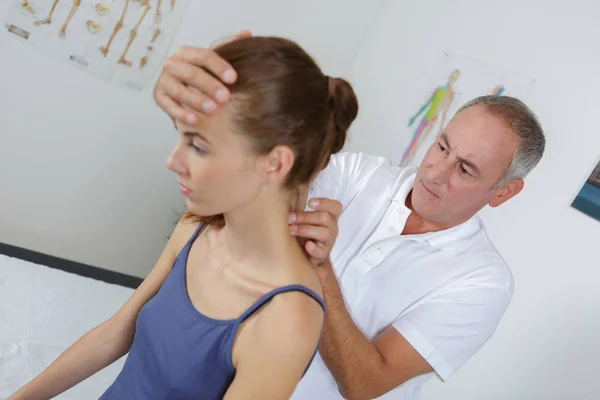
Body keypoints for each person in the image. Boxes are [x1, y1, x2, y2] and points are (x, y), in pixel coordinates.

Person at [153, 31, 546, 400]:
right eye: (442, 146)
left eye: (465, 169)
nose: (436, 172)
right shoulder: (359, 173)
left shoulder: (482, 283)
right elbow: (257, 196)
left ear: (504, 192)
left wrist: (322, 270)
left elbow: (364, 383)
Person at [8, 36, 359, 400]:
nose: (173, 161)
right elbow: (116, 332)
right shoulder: (196, 226)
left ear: (275, 163)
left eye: (197, 146)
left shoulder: (288, 318)